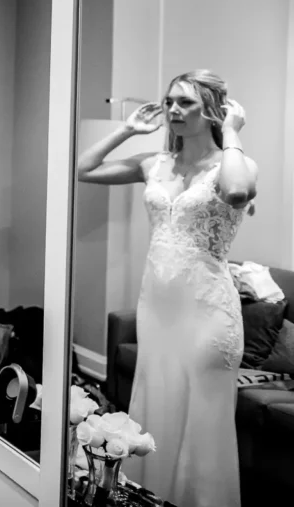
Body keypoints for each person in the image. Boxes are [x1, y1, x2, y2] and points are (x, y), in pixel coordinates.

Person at [77, 69, 257, 507]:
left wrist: (231, 133)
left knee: (202, 424)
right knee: (157, 406)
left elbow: (236, 192)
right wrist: (127, 130)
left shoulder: (235, 163)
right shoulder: (153, 164)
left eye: (186, 103)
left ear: (213, 110)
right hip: (157, 310)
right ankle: (147, 499)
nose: (173, 110)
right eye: (170, 100)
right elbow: (83, 169)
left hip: (208, 312)